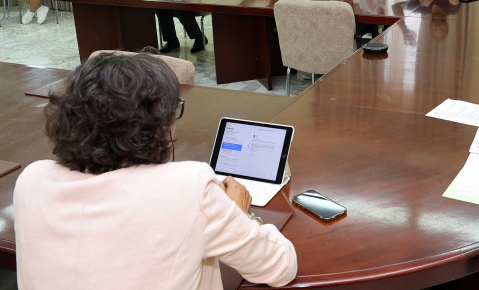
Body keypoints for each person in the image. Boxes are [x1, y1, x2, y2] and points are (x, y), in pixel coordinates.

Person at [13, 52, 297, 289]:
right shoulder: (189, 187)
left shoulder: (32, 179)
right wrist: (241, 214)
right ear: (160, 126)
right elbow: (279, 267)